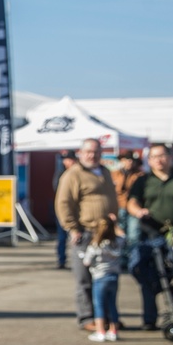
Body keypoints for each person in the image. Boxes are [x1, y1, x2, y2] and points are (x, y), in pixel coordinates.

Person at [54, 138, 119, 332]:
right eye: (89, 152)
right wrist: (72, 228)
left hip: (106, 234)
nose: (93, 155)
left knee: (107, 278)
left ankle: (107, 317)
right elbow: (63, 203)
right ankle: (87, 317)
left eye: (97, 152)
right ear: (80, 153)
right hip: (85, 233)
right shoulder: (73, 174)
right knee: (85, 279)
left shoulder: (105, 172)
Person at [127, 143, 173, 330]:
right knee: (143, 272)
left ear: (170, 158)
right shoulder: (143, 181)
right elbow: (132, 202)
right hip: (149, 236)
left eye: (162, 156)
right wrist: (138, 211)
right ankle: (149, 319)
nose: (159, 160)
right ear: (149, 160)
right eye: (154, 157)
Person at [81, 217, 124, 341]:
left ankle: (100, 331)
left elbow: (86, 261)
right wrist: (115, 224)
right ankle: (113, 331)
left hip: (100, 278)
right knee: (112, 304)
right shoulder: (118, 242)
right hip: (114, 277)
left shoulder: (95, 245)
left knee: (99, 305)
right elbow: (123, 235)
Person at [112, 149, 144, 265]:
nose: (129, 162)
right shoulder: (115, 174)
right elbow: (115, 190)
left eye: (131, 160)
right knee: (120, 234)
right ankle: (121, 259)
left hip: (133, 208)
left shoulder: (140, 175)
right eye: (126, 160)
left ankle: (132, 259)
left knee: (133, 234)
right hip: (119, 206)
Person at [52, 150, 79, 269]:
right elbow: (57, 190)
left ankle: (79, 261)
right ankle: (61, 260)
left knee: (78, 236)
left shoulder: (79, 173)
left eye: (70, 159)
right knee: (62, 236)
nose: (68, 162)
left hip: (77, 210)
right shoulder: (61, 173)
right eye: (66, 159)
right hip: (63, 210)